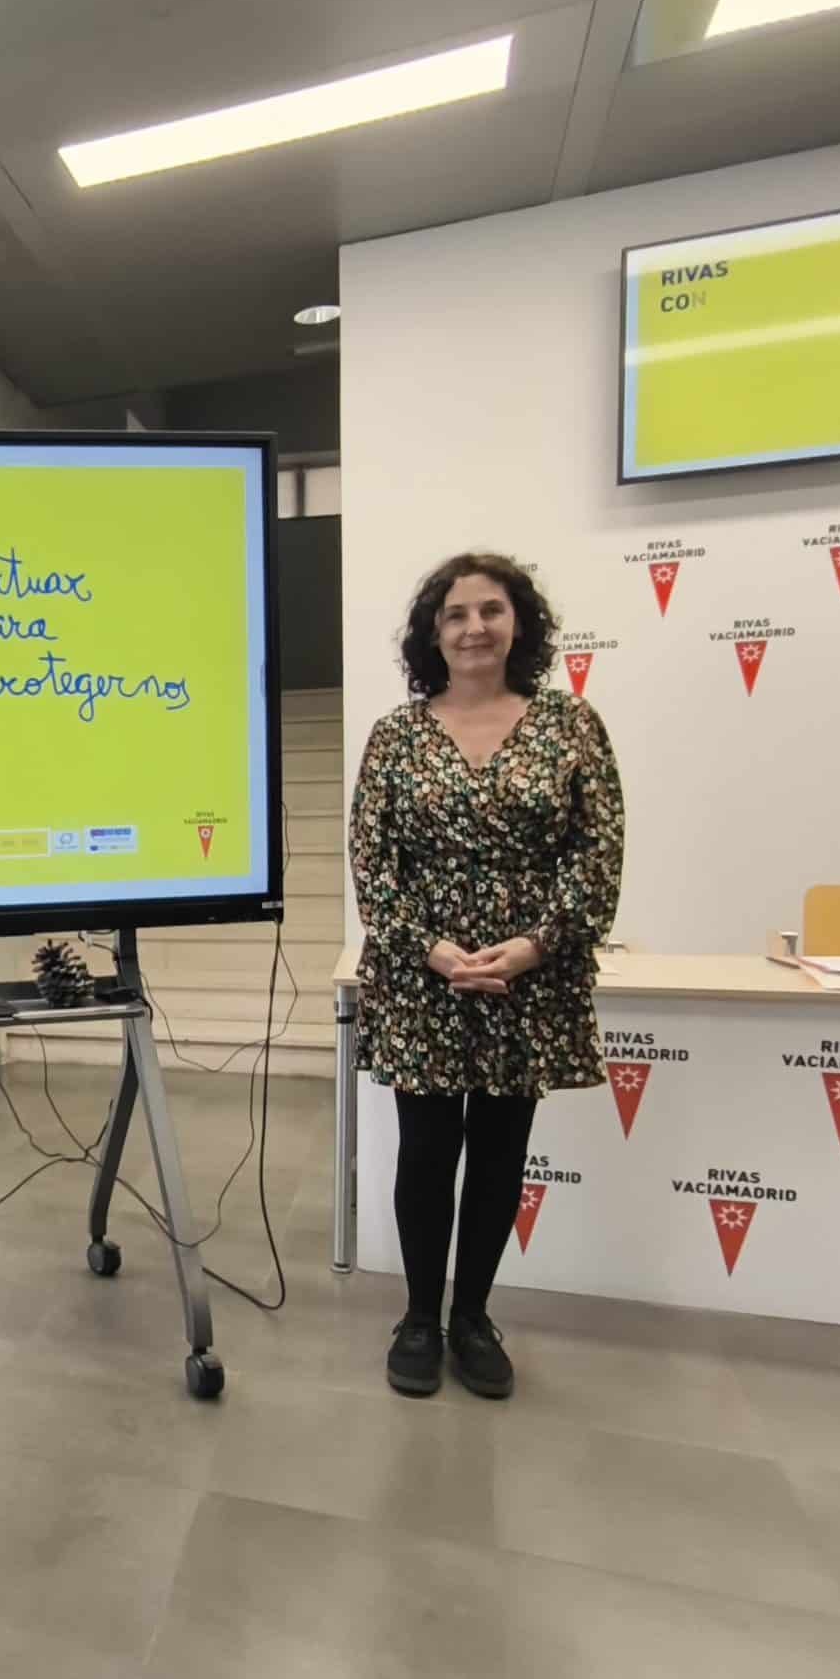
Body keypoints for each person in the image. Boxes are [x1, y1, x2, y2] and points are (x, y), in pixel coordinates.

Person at [351, 552, 623, 1403]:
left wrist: (536, 944)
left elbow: (598, 851)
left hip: (527, 978)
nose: (475, 628)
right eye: (457, 614)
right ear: (433, 634)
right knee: (426, 1153)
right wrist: (426, 945)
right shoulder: (397, 734)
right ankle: (419, 1318)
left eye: (491, 611)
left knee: (503, 1155)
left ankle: (474, 1318)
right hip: (419, 975)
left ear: (519, 625)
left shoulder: (571, 725)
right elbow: (371, 857)